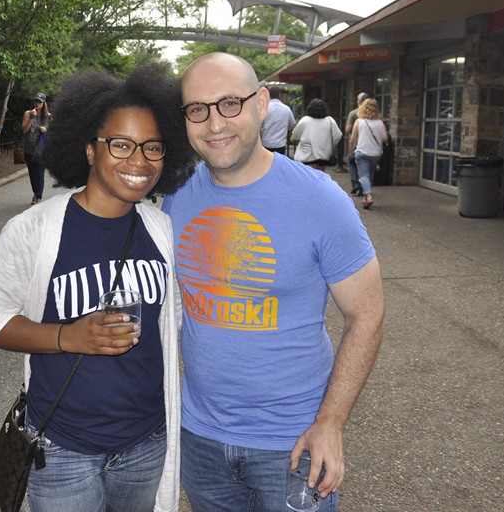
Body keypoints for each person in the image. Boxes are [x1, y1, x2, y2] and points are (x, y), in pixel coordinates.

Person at [0, 68, 197, 512]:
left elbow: (174, 326)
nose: (140, 161)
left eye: (153, 147)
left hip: (146, 444)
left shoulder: (162, 229)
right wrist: (67, 337)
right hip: (63, 448)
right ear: (90, 149)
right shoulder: (33, 230)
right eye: (122, 144)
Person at [163, 52, 385, 512]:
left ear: (261, 103)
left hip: (295, 444)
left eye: (229, 103)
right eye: (197, 110)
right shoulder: (175, 197)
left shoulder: (319, 198)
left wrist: (332, 422)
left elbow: (367, 314)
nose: (214, 124)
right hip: (200, 439)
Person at [350, 98, 389, 210]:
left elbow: (353, 139)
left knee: (363, 176)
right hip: (376, 154)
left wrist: (351, 151)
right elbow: (385, 138)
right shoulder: (380, 123)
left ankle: (369, 196)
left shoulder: (359, 122)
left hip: (362, 152)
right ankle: (366, 198)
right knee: (369, 176)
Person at [290, 97, 343, 173]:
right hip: (324, 156)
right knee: (319, 176)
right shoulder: (330, 121)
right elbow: (338, 136)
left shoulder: (305, 120)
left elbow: (295, 135)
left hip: (306, 156)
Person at [22, 93, 51, 204]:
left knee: (40, 173)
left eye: (39, 102)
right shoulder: (28, 114)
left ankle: (38, 197)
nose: (37, 104)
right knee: (33, 174)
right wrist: (31, 118)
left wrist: (45, 130)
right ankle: (35, 192)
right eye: (36, 101)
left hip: (41, 150)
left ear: (44, 104)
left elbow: (53, 134)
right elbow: (24, 130)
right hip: (29, 149)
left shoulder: (48, 117)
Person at [344, 92, 370, 195]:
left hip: (357, 143)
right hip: (369, 145)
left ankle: (355, 183)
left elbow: (348, 129)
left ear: (358, 101)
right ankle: (364, 187)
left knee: (351, 162)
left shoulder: (354, 113)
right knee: (365, 167)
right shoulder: (372, 114)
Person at [259, 84, 295, 155]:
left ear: (269, 94)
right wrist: (284, 128)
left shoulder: (265, 108)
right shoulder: (286, 109)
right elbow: (292, 125)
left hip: (266, 142)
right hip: (280, 144)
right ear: (280, 95)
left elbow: (259, 125)